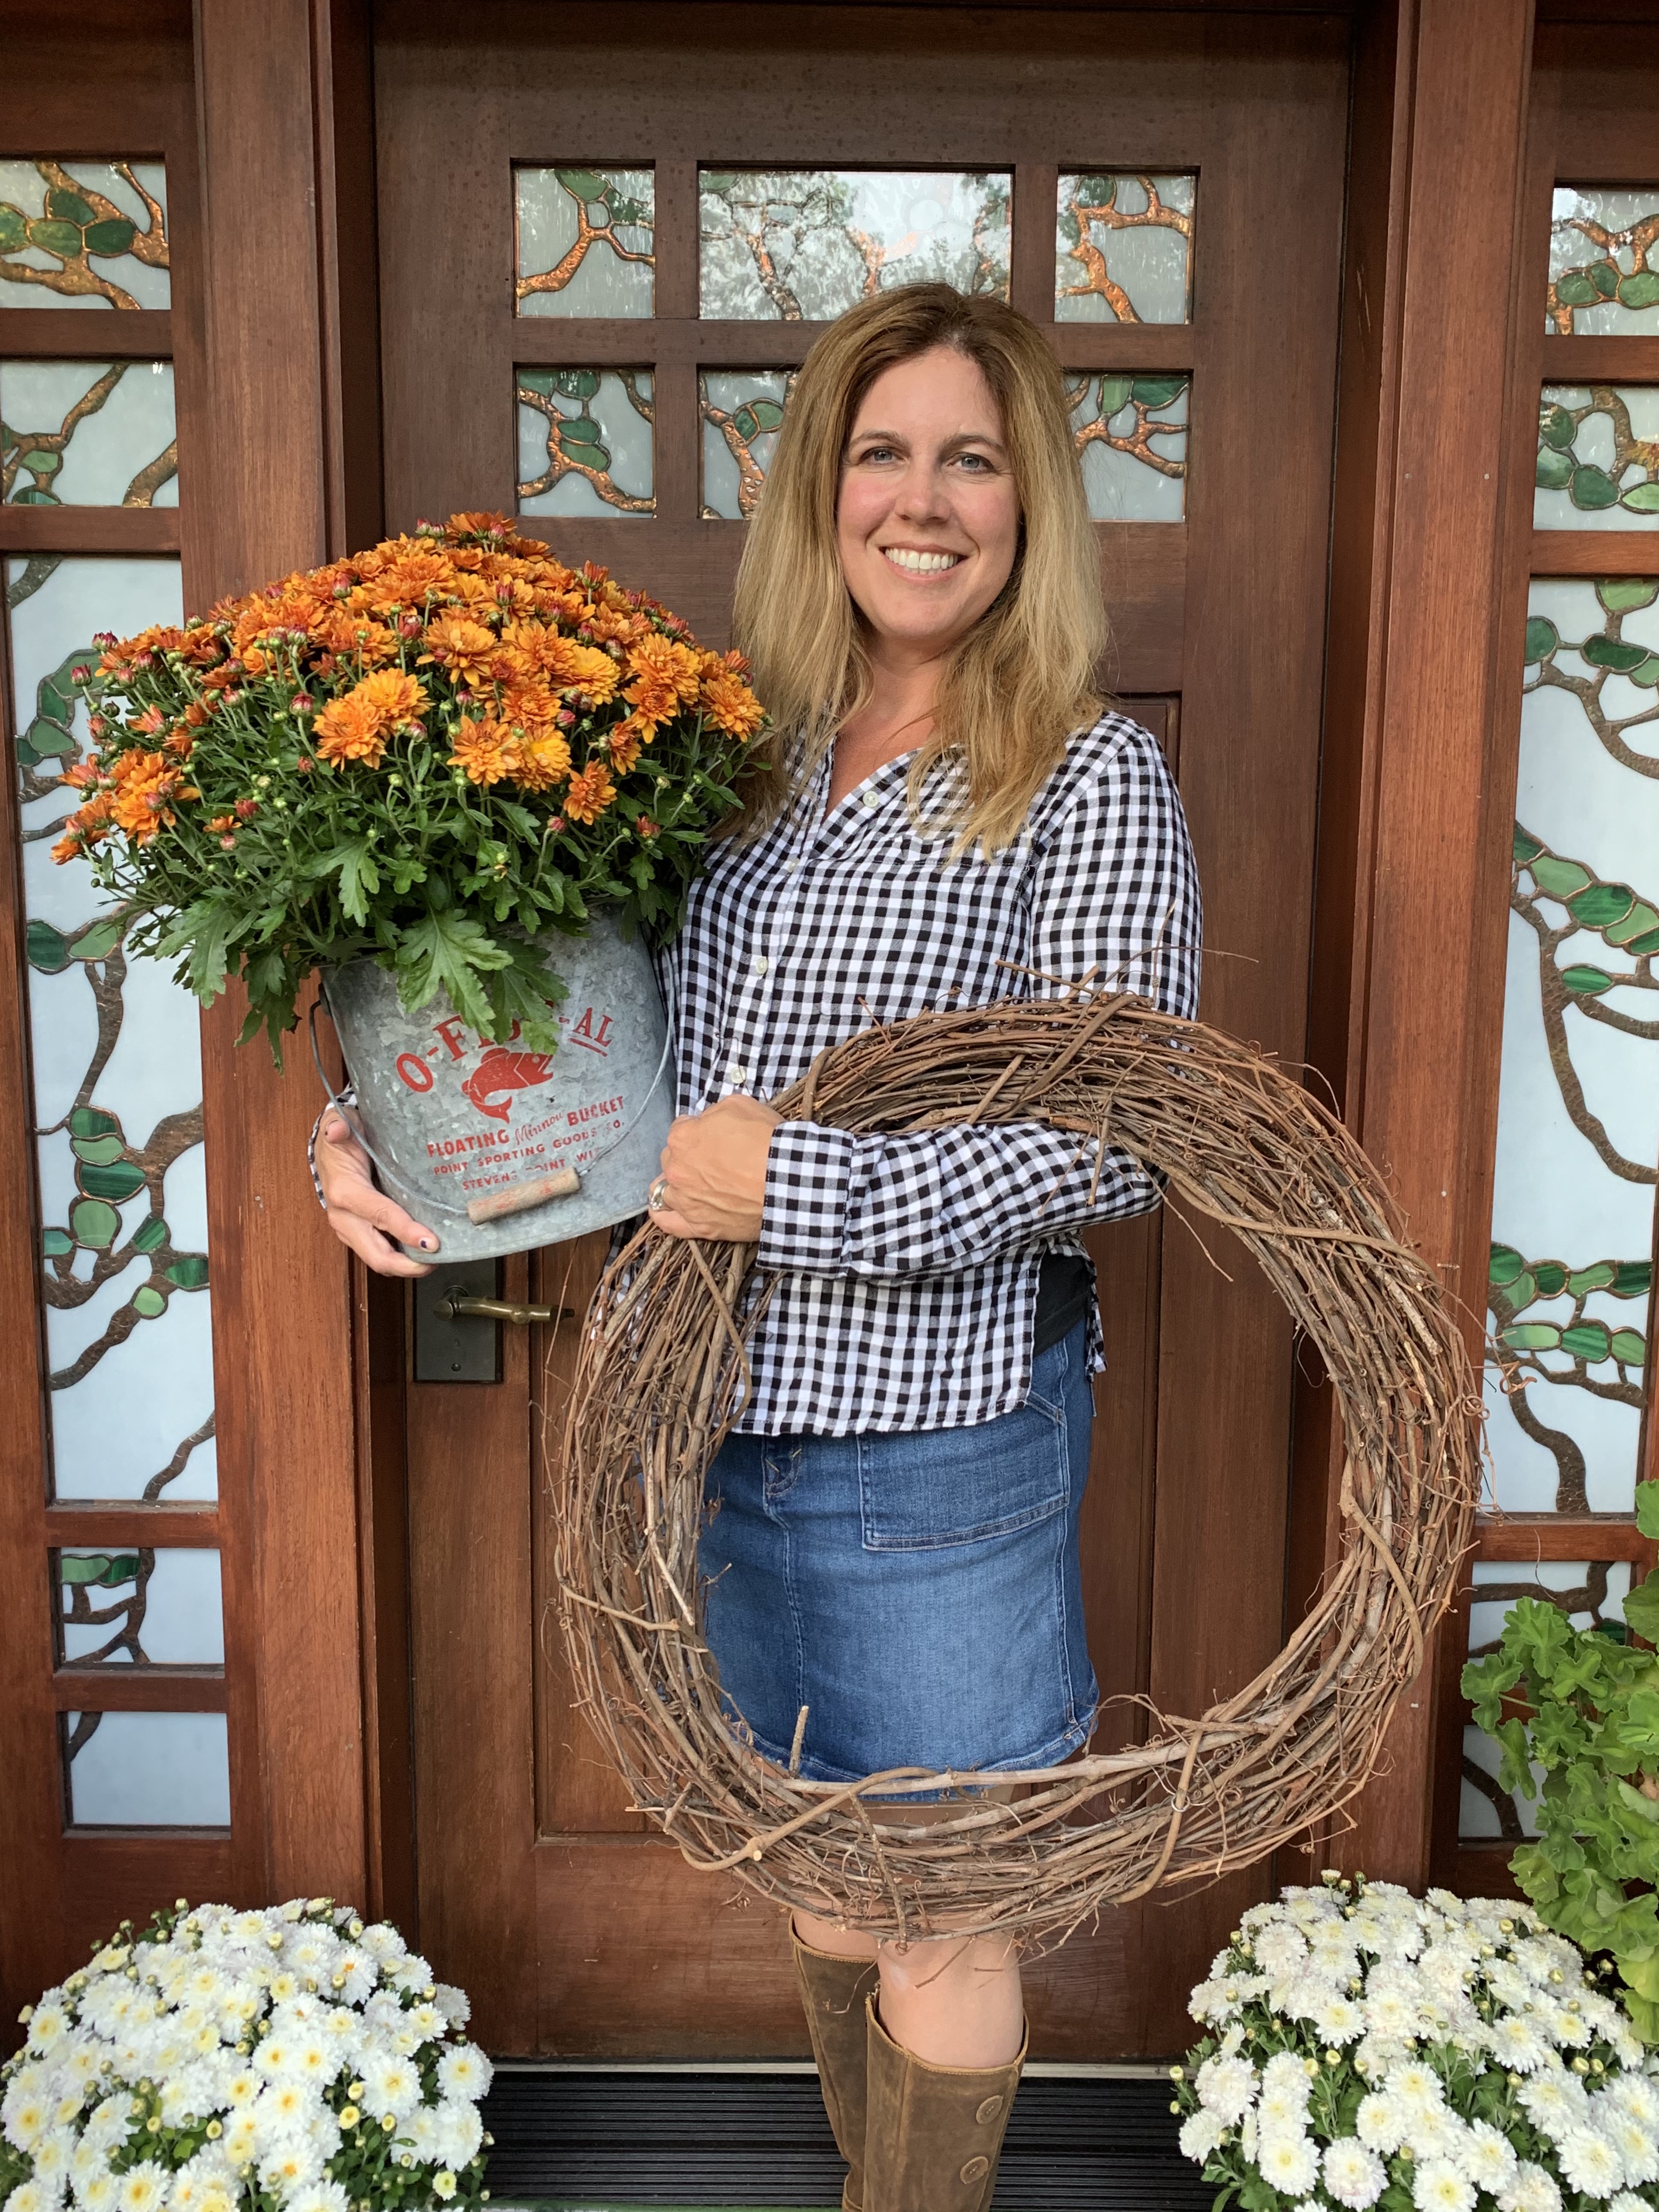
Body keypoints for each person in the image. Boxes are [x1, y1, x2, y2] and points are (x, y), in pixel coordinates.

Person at [314, 281, 1200, 2212]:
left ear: (1030, 499)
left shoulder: (1085, 776)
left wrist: (788, 1187)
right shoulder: (742, 762)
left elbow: (1112, 1141)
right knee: (807, 1859)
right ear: (821, 489)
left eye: (972, 457)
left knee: (941, 1913)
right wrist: (375, 1136)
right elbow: (568, 1030)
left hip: (936, 1449)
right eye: (883, 452)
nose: (925, 497)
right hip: (718, 1417)